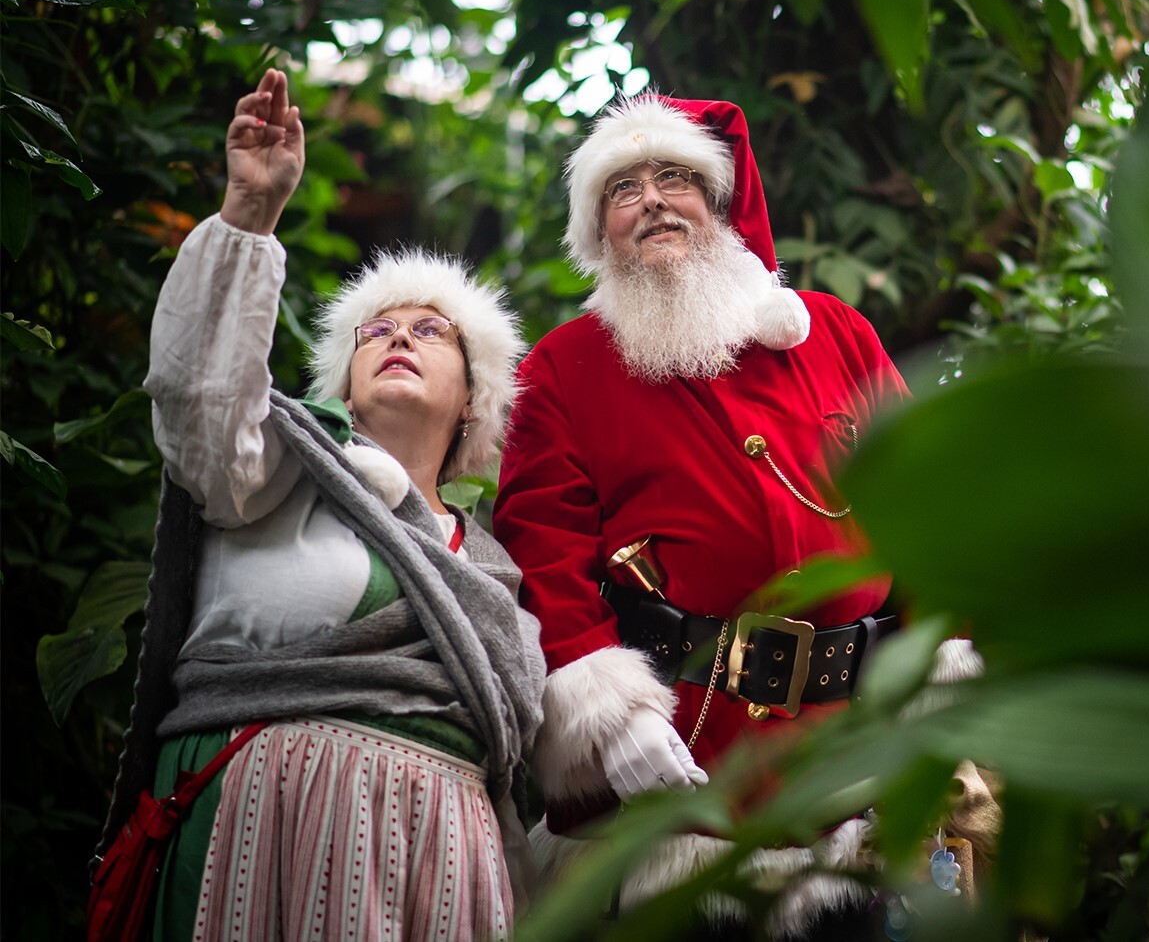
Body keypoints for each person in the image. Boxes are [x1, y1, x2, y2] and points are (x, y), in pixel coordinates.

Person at [94, 70, 545, 941]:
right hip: (263, 836)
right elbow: (201, 397)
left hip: (441, 871)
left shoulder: (491, 567)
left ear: (473, 399)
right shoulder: (276, 469)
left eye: (429, 329)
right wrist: (249, 217)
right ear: (345, 379)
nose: (397, 337)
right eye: (374, 331)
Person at [494, 93, 937, 939]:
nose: (653, 200)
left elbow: (924, 501)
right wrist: (609, 720)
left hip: (851, 770)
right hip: (681, 770)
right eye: (622, 190)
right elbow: (537, 552)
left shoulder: (834, 333)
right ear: (598, 234)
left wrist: (944, 657)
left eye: (674, 178)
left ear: (722, 204)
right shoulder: (564, 367)